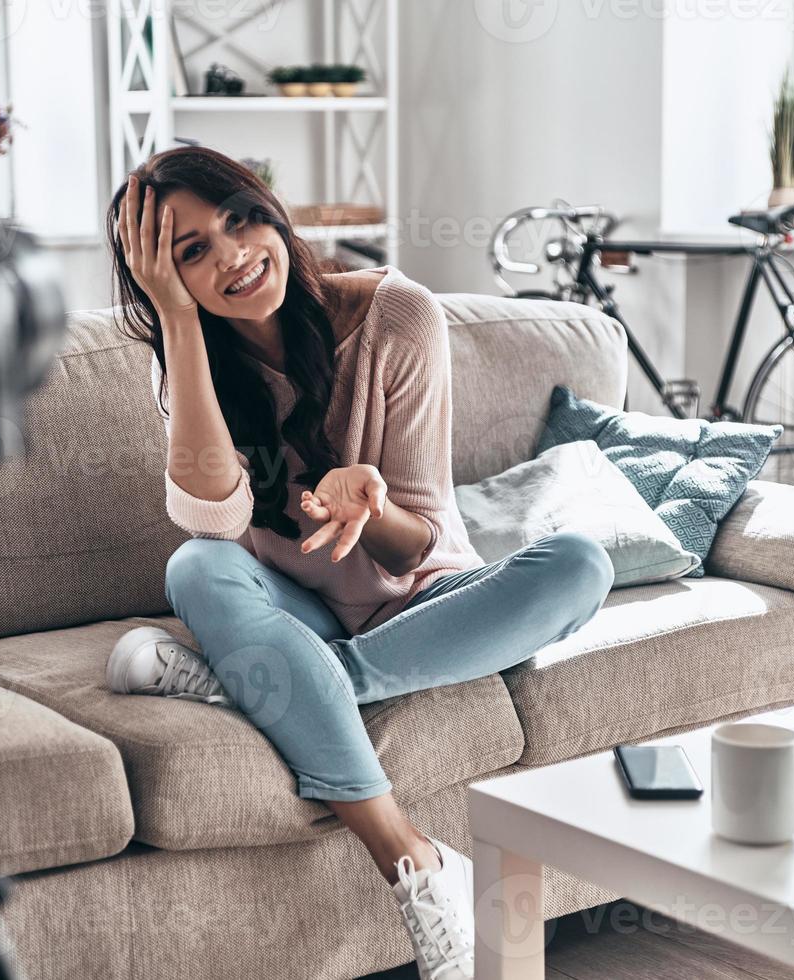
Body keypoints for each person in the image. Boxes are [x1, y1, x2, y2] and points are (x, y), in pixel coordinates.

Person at [103, 146, 612, 980]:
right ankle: (413, 861)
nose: (232, 255)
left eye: (237, 219)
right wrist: (181, 328)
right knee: (195, 569)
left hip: (419, 602)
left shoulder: (396, 315)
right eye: (191, 251)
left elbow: (416, 546)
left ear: (268, 208)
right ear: (165, 278)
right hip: (290, 600)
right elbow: (212, 517)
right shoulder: (189, 363)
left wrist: (370, 505)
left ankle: (266, 682)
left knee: (579, 565)